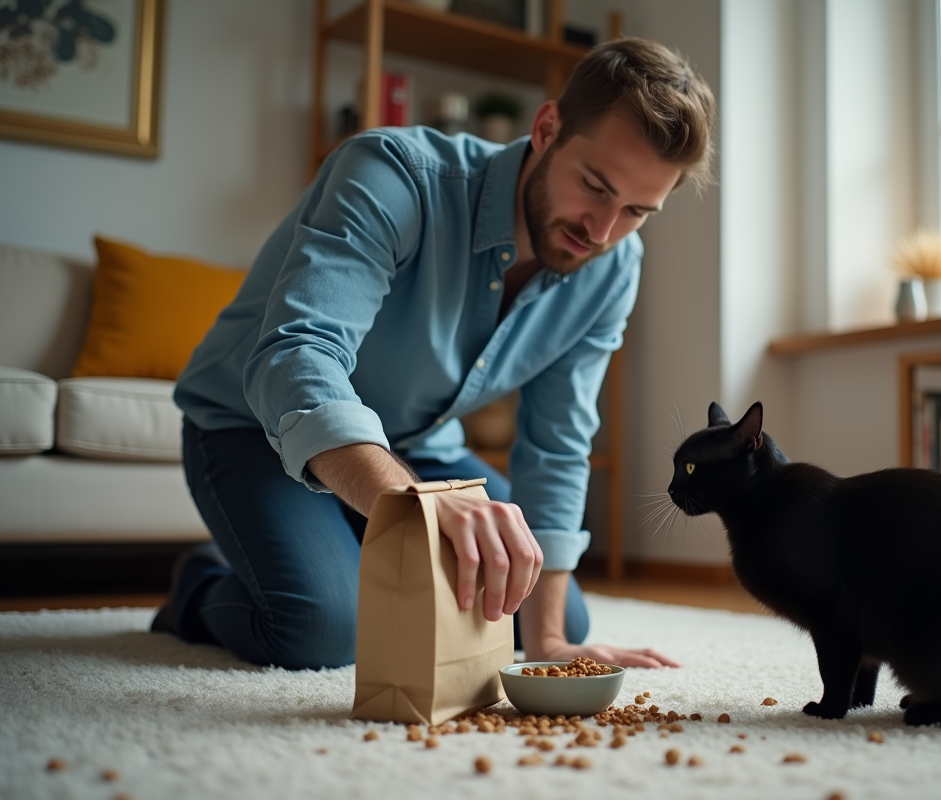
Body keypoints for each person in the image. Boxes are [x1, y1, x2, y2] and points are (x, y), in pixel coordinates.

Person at [156, 36, 717, 671]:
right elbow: (298, 354)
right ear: (546, 127)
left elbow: (558, 439)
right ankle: (201, 585)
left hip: (416, 443)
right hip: (248, 424)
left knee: (544, 612)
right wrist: (420, 508)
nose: (601, 232)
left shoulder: (614, 267)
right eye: (593, 185)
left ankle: (339, 540)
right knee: (322, 627)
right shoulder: (393, 172)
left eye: (638, 212)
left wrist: (554, 642)